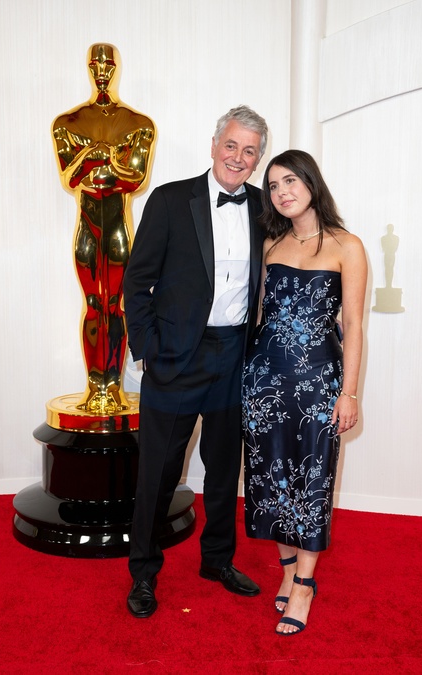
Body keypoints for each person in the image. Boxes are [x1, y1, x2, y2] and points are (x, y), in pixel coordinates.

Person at [123, 105, 269, 618]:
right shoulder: (169, 200)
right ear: (213, 145)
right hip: (176, 358)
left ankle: (217, 560)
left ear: (258, 159)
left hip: (235, 357)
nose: (238, 157)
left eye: (249, 151)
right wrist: (147, 350)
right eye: (231, 145)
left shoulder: (263, 207)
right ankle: (143, 572)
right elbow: (136, 282)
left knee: (225, 469)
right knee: (158, 472)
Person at [242, 149, 367, 635]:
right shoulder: (270, 244)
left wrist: (348, 393)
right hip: (264, 381)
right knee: (271, 476)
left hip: (319, 383)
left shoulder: (346, 245)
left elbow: (353, 325)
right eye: (273, 186)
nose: (282, 192)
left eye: (290, 181)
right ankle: (288, 568)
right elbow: (258, 316)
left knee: (312, 479)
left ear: (311, 183)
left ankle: (304, 586)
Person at [52, 43, 156, 414]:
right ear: (87, 67)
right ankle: (95, 387)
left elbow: (135, 179)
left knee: (116, 304)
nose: (101, 70)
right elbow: (70, 178)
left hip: (117, 228)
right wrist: (93, 157)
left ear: (117, 68)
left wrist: (104, 161)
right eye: (95, 64)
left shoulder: (138, 123)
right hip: (87, 227)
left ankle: (113, 388)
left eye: (107, 64)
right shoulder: (67, 123)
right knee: (93, 305)